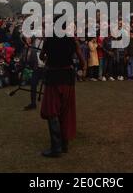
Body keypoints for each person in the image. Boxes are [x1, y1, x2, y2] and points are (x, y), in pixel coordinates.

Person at [39, 16, 85, 158]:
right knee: (66, 111)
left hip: (54, 77)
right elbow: (82, 61)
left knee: (52, 111)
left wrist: (50, 59)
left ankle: (56, 147)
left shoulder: (49, 39)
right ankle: (64, 145)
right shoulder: (72, 39)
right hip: (68, 77)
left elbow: (41, 56)